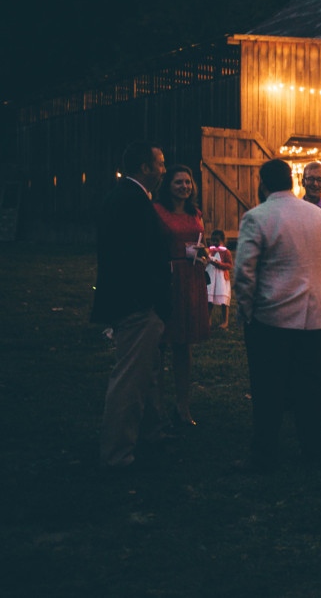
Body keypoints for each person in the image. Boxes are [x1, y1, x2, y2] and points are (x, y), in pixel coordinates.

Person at [234, 159, 321, 472]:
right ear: (292, 183)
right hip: (317, 314)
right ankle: (313, 448)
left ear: (263, 183)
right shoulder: (320, 215)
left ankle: (265, 451)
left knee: (268, 387)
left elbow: (244, 272)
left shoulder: (256, 217)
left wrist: (246, 310)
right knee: (313, 386)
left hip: (272, 316)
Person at [93, 142, 171, 469]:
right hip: (137, 303)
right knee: (130, 379)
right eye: (161, 163)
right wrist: (151, 298)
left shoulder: (124, 196)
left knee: (148, 372)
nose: (164, 170)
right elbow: (135, 257)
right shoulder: (133, 201)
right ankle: (117, 454)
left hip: (132, 300)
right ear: (145, 168)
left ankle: (151, 433)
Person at [154, 164, 210, 427]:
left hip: (192, 277)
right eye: (178, 182)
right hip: (167, 277)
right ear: (168, 186)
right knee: (160, 345)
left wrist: (205, 253)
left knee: (184, 344)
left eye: (188, 182)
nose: (184, 187)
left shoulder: (195, 212)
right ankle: (156, 407)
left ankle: (182, 405)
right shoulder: (157, 211)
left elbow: (201, 242)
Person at [206, 229, 232, 329]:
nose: (215, 243)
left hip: (222, 279)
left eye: (217, 240)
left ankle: (225, 321)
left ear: (222, 241)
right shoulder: (210, 251)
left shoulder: (226, 252)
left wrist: (219, 264)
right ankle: (208, 320)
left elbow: (229, 265)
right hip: (212, 278)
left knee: (224, 301)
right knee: (209, 300)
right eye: (213, 240)